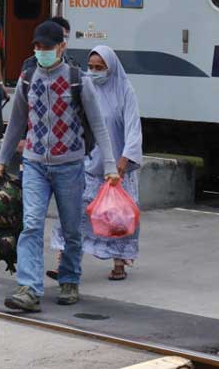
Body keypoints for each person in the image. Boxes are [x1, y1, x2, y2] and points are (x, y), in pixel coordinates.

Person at [0, 21, 120, 312]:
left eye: (47, 47)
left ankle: (70, 279)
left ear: (61, 47)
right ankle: (29, 288)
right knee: (32, 224)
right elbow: (16, 123)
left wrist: (110, 166)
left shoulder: (78, 80)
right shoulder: (27, 79)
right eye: (37, 46)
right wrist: (1, 159)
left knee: (71, 229)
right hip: (34, 164)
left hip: (70, 165)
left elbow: (98, 126)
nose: (41, 51)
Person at [50, 45, 142, 281]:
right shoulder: (85, 88)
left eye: (99, 68)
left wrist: (124, 160)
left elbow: (133, 128)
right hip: (87, 164)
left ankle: (119, 262)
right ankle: (64, 262)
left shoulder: (125, 91)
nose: (93, 72)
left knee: (117, 216)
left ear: (111, 68)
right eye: (90, 67)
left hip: (117, 169)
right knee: (74, 213)